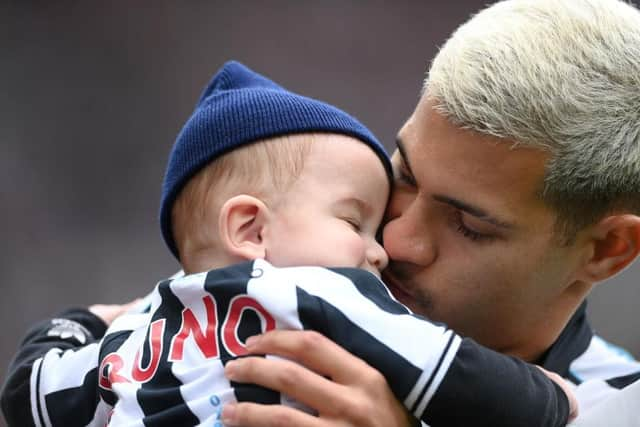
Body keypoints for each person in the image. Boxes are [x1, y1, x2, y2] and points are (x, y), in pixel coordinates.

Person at [1, 61, 577, 427]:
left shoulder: (137, 328)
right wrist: (551, 400)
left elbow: (27, 396)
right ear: (252, 230)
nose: (379, 251)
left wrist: (81, 320)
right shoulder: (321, 296)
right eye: (354, 223)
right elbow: (452, 373)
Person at [214, 0, 640, 426]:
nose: (396, 239)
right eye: (405, 176)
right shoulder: (223, 308)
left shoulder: (616, 412)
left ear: (607, 250)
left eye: (469, 225)